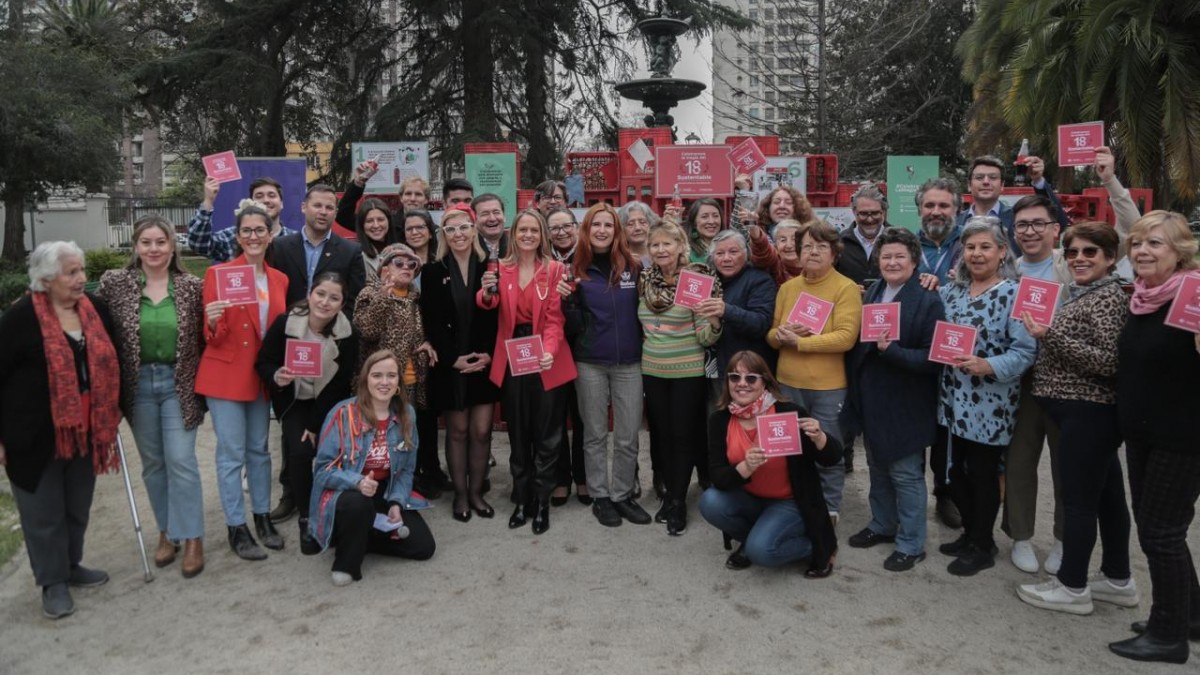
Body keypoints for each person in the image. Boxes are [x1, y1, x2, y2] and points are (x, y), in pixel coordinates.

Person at [1013, 221, 1136, 616]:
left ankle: (1072, 586)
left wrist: (1050, 336)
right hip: (1078, 410)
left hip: (1088, 410)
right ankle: (1118, 578)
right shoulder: (1086, 293)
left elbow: (1110, 362)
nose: (1080, 259)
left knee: (1080, 502)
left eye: (1090, 252)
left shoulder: (1108, 299)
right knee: (1108, 498)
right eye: (1073, 253)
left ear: (1110, 258)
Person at [0, 241, 121, 619]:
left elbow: (114, 361)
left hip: (87, 430)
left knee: (77, 506)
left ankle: (71, 566)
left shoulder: (95, 310)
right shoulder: (20, 319)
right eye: (72, 272)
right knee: (43, 511)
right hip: (32, 434)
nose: (82, 278)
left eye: (82, 270)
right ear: (46, 279)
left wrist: (114, 410)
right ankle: (52, 583)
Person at [1108, 211, 1200, 665]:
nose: (1143, 251)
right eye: (1138, 243)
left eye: (1156, 244)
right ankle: (1191, 615)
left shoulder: (1192, 295)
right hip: (1145, 432)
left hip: (1181, 435)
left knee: (1160, 533)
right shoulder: (1144, 296)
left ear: (1180, 252)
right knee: (1159, 528)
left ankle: (1168, 636)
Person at [98, 216, 207, 578]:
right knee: (154, 464)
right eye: (146, 242)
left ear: (172, 246)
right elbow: (91, 321)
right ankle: (167, 531)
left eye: (161, 242)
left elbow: (207, 335)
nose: (154, 249)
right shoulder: (115, 284)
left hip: (179, 383)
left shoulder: (192, 286)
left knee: (181, 460)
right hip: (138, 384)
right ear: (135, 246)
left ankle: (192, 536)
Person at [936, 216, 1037, 577]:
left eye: (985, 247)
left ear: (1001, 251)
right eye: (970, 247)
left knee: (982, 474)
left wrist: (988, 365)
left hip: (990, 404)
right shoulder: (952, 292)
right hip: (952, 400)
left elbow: (1025, 352)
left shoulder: (1014, 294)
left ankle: (983, 543)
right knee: (956, 473)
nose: (976, 254)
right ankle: (970, 533)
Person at [842, 228, 944, 572]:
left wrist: (894, 352)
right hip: (872, 398)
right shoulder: (873, 290)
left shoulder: (929, 299)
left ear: (914, 261)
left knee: (906, 474)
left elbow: (934, 358)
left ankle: (912, 543)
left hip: (907, 402)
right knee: (876, 467)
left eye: (900, 256)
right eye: (886, 256)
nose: (892, 262)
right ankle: (883, 524)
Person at [195, 201, 289, 561]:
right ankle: (237, 526)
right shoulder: (218, 275)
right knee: (231, 454)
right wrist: (214, 319)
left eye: (260, 230)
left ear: (270, 235)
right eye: (246, 231)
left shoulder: (279, 278)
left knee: (260, 451)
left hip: (260, 376)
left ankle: (262, 517)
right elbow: (211, 337)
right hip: (226, 376)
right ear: (237, 236)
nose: (253, 236)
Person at [269, 184, 367, 521]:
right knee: (291, 425)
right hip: (292, 337)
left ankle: (329, 490)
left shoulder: (348, 249)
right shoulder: (280, 247)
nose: (323, 212)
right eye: (318, 206)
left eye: (329, 207)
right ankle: (291, 492)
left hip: (331, 341)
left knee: (328, 422)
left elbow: (354, 298)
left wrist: (336, 332)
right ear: (303, 207)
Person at [478, 209, 578, 534]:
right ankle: (522, 498)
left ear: (542, 235)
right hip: (512, 356)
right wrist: (485, 291)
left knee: (548, 434)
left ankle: (542, 500)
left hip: (545, 355)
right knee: (518, 432)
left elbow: (554, 318)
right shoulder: (500, 269)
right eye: (523, 229)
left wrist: (548, 352)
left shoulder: (554, 270)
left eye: (535, 230)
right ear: (514, 233)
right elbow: (487, 303)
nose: (528, 235)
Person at [698, 351, 841, 576]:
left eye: (751, 378)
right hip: (750, 497)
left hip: (789, 502)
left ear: (764, 381)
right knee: (709, 501)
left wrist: (820, 437)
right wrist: (746, 467)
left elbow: (832, 458)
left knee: (762, 552)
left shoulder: (788, 412)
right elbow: (717, 476)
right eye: (734, 377)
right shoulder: (720, 419)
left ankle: (815, 545)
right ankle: (752, 537)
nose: (742, 384)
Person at [309, 350, 435, 586]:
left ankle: (359, 535)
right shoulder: (342, 413)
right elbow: (322, 470)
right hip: (346, 493)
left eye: (391, 376)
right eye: (377, 375)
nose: (384, 382)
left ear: (399, 381)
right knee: (358, 504)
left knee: (424, 547)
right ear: (366, 379)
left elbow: (406, 470)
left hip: (384, 491)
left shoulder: (407, 415)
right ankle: (346, 562)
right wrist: (356, 482)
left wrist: (396, 502)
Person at [256, 272, 360, 555]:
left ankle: (338, 509)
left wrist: (316, 424)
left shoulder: (348, 334)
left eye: (334, 298)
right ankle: (307, 516)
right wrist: (277, 375)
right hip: (293, 401)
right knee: (300, 452)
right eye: (321, 294)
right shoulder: (286, 324)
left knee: (335, 450)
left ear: (341, 304)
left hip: (329, 402)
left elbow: (340, 384)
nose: (325, 302)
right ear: (310, 294)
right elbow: (263, 362)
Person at [766, 221, 861, 522]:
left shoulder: (845, 288)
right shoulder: (787, 288)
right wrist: (780, 336)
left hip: (828, 387)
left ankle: (830, 506)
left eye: (821, 246)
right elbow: (771, 334)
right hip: (788, 383)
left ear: (834, 252)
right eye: (807, 246)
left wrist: (801, 343)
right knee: (789, 447)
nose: (813, 252)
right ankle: (794, 500)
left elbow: (846, 337)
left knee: (827, 448)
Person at [563, 203, 648, 527]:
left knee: (627, 435)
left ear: (617, 231)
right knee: (595, 434)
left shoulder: (634, 267)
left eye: (608, 225)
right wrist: (567, 302)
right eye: (595, 224)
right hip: (590, 364)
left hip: (629, 362)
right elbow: (569, 325)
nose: (601, 230)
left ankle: (623, 494)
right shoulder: (574, 269)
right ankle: (600, 495)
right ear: (586, 230)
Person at [639, 221, 723, 536]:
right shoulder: (645, 280)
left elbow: (705, 336)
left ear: (680, 246)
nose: (661, 250)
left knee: (682, 435)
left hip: (687, 371)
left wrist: (713, 318)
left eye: (666, 244)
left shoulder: (696, 278)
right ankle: (671, 491)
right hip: (653, 370)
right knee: (661, 434)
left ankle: (676, 501)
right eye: (655, 245)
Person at [420, 204, 500, 522]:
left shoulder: (490, 267)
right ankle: (461, 495)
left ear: (474, 229)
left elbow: (498, 316)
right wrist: (453, 360)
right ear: (443, 234)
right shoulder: (433, 270)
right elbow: (432, 321)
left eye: (463, 227)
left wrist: (489, 354)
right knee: (457, 430)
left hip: (482, 359)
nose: (458, 234)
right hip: (451, 362)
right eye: (450, 229)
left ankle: (478, 492)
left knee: (481, 431)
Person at [1003, 194, 1066, 574]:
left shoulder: (1070, 266)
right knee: (1020, 462)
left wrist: (1109, 182)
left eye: (1037, 224)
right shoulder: (1010, 272)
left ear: (1055, 229)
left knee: (1065, 465)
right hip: (1021, 381)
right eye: (1022, 225)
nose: (1029, 232)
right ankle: (1021, 537)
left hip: (1066, 382)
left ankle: (1063, 539)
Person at [353, 243, 437, 485]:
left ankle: (404, 488)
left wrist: (427, 344)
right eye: (399, 263)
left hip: (411, 380)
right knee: (381, 440)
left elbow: (419, 333)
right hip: (382, 384)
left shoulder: (415, 297)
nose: (407, 268)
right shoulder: (370, 294)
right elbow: (367, 331)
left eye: (412, 264)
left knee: (407, 439)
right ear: (384, 268)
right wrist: (383, 298)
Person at [914, 177, 965, 529]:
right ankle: (911, 492)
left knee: (949, 429)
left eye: (944, 205)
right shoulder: (905, 244)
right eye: (930, 205)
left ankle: (945, 493)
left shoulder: (970, 245)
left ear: (957, 210)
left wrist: (948, 283)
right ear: (919, 210)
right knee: (914, 423)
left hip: (955, 350)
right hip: (913, 348)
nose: (936, 212)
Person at [545, 207, 589, 507]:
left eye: (566, 226)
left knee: (584, 413)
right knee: (556, 413)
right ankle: (560, 479)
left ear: (576, 227)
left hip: (585, 342)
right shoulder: (542, 260)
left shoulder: (587, 255)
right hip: (552, 345)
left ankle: (584, 477)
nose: (561, 232)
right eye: (554, 228)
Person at [698, 229, 777, 382]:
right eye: (719, 254)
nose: (726, 258)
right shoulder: (708, 281)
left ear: (746, 253)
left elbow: (761, 323)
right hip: (713, 368)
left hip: (747, 371)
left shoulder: (760, 280)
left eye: (733, 252)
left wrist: (726, 310)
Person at [186, 176, 290, 264]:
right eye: (259, 196)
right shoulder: (233, 236)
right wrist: (208, 200)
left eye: (272, 195)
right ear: (251, 203)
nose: (266, 200)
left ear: (281, 203)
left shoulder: (295, 241)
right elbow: (198, 245)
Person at [837, 184, 889, 286]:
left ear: (883, 212)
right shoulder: (839, 242)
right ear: (854, 212)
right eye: (864, 214)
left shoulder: (899, 240)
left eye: (875, 213)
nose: (870, 219)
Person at [744, 185, 816, 241]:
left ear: (798, 208)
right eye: (776, 202)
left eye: (788, 202)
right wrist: (744, 189)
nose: (782, 206)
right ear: (768, 207)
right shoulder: (755, 233)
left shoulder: (809, 235)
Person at [354, 197, 402, 279]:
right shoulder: (356, 255)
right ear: (362, 225)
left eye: (380, 219)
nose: (376, 225)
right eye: (369, 221)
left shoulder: (402, 250)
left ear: (389, 221)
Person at [748, 218, 805, 286]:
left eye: (794, 239)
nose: (789, 245)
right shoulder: (776, 264)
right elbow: (763, 251)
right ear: (776, 246)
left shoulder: (814, 264)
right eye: (783, 240)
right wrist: (754, 230)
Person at [682, 198, 726, 264]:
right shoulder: (685, 251)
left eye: (715, 216)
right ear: (694, 222)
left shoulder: (729, 246)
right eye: (704, 217)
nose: (711, 221)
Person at [618, 200, 657, 268]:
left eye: (642, 222)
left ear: (651, 224)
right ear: (622, 229)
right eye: (630, 224)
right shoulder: (617, 259)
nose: (637, 228)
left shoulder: (660, 256)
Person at [473, 193, 509, 258]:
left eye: (496, 212)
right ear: (475, 220)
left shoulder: (516, 248)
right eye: (485, 214)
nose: (492, 218)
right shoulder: (468, 250)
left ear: (504, 216)